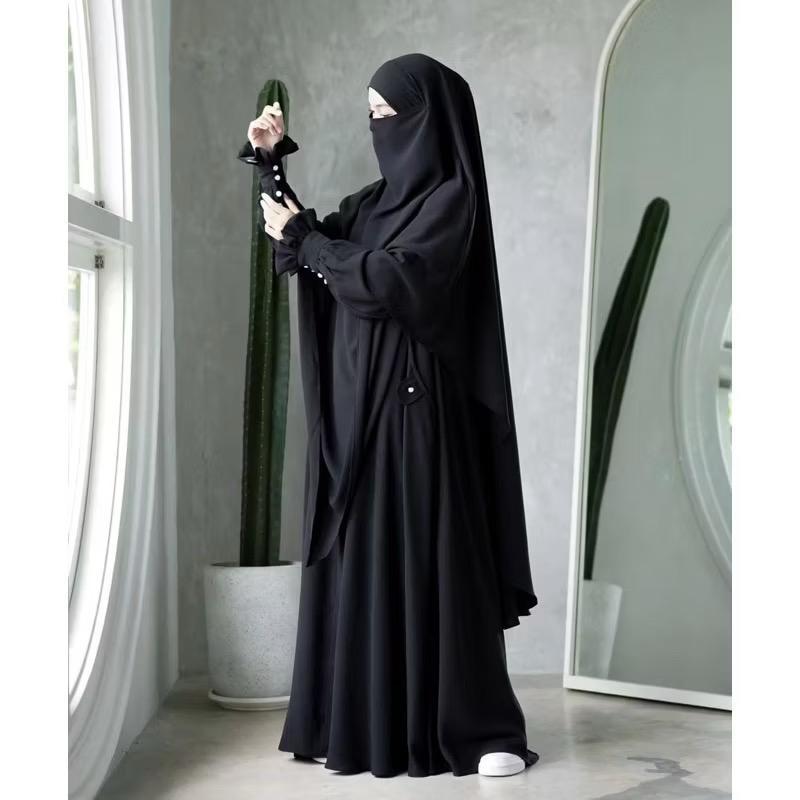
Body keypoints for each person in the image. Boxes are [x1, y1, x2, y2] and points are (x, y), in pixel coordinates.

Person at [237, 53, 539, 779]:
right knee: (366, 558)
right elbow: (305, 248)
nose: (377, 127)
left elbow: (393, 280)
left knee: (437, 563)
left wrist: (312, 244)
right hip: (362, 415)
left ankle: (478, 730)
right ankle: (366, 725)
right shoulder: (370, 204)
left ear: (427, 119)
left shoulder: (452, 202)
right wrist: (270, 165)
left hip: (423, 416)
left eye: (387, 113)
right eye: (370, 115)